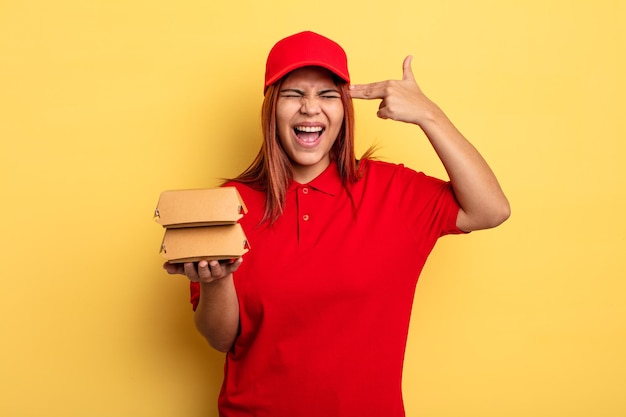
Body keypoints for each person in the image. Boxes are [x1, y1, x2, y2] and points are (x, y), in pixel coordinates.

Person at [164, 31, 510, 417]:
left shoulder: (392, 191)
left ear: (345, 109)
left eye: (327, 95)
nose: (310, 108)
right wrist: (215, 281)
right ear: (271, 109)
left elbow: (491, 210)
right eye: (293, 94)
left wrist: (429, 114)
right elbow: (221, 338)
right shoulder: (229, 204)